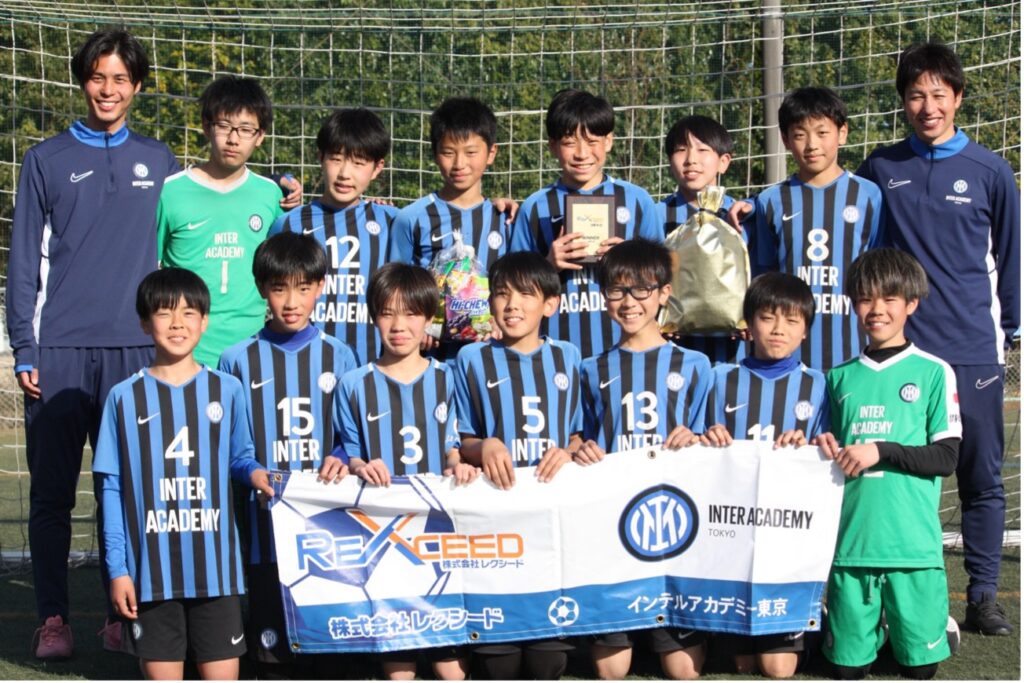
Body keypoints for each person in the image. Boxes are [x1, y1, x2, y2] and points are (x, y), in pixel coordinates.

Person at [6, 28, 177, 659]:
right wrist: (25, 347)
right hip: (61, 353)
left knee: (126, 492)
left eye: (120, 79)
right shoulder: (45, 159)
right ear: (83, 82)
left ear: (137, 86)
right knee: (52, 494)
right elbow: (23, 261)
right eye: (98, 77)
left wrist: (282, 193)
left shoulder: (160, 160)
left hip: (135, 352)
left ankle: (117, 615)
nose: (109, 89)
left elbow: (203, 214)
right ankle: (53, 618)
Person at [855, 42, 1020, 636]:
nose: (928, 106)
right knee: (899, 476)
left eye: (938, 94)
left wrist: (1012, 330)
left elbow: (1011, 258)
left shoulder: (992, 171)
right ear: (902, 101)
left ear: (958, 97)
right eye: (915, 95)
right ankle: (890, 592)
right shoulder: (880, 169)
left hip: (973, 350)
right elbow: (847, 224)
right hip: (903, 355)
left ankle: (982, 596)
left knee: (980, 477)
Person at [92, 267, 275, 680]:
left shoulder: (227, 389)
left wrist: (255, 474)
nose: (177, 323)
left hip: (217, 574)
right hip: (151, 575)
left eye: (189, 312)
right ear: (144, 322)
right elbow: (111, 488)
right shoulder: (123, 397)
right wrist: (118, 570)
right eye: (164, 313)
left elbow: (240, 457)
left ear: (205, 321)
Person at [815, 248, 961, 680]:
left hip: (912, 548)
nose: (876, 309)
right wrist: (822, 444)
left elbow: (946, 458)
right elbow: (826, 451)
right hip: (852, 547)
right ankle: (878, 632)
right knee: (847, 671)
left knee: (920, 670)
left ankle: (930, 629)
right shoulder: (837, 377)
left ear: (911, 303)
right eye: (865, 299)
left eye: (889, 298)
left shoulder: (934, 371)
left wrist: (882, 449)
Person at [217, 232, 357, 678]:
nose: (291, 302)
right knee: (273, 659)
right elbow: (234, 450)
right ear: (262, 288)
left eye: (303, 288)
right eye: (279, 289)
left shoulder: (341, 355)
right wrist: (251, 472)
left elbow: (353, 436)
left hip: (328, 533)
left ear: (321, 287)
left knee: (329, 658)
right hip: (265, 532)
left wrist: (341, 454)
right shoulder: (236, 360)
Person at [326, 262, 475, 680]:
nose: (398, 325)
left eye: (410, 313)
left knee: (450, 668)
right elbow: (352, 454)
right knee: (399, 668)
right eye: (387, 313)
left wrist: (459, 466)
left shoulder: (447, 378)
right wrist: (361, 465)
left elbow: (453, 448)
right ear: (373, 316)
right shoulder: (353, 384)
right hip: (385, 532)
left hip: (438, 530)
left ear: (428, 318)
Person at [454, 251, 598, 680]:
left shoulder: (568, 357)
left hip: (550, 518)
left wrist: (569, 451)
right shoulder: (471, 358)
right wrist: (484, 446)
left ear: (550, 304)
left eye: (526, 294)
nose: (512, 304)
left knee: (546, 662)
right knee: (499, 664)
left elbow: (578, 434)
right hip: (496, 517)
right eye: (502, 294)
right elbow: (461, 441)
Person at [578, 239, 710, 680]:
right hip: (610, 524)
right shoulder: (591, 368)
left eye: (641, 289)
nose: (629, 301)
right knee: (611, 670)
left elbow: (711, 441)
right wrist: (580, 447)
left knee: (683, 670)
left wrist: (696, 439)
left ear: (664, 293)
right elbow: (579, 435)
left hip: (673, 523)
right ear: (603, 296)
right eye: (617, 290)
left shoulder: (695, 365)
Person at [700, 272, 828, 678]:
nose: (778, 329)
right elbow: (693, 447)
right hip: (728, 533)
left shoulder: (818, 386)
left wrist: (811, 447)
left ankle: (816, 626)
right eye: (767, 317)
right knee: (740, 664)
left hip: (787, 537)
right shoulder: (718, 378)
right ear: (749, 324)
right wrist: (706, 437)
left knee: (777, 668)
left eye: (791, 320)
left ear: (805, 330)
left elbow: (828, 456)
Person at [732, 87, 884, 373]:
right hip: (789, 354)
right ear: (785, 139)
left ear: (842, 133)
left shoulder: (869, 196)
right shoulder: (770, 201)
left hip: (853, 349)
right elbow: (765, 275)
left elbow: (878, 270)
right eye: (800, 134)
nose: (812, 144)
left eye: (822, 132)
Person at [511, 89, 661, 359]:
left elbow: (664, 275)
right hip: (553, 354)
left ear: (609, 141)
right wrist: (548, 265)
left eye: (592, 141)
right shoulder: (534, 207)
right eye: (570, 143)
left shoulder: (638, 201)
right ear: (552, 146)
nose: (582, 153)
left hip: (625, 351)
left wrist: (628, 260)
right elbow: (514, 284)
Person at [157, 75, 285, 367]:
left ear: (260, 136)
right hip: (186, 352)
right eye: (224, 126)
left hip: (253, 351)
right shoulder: (170, 192)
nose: (233, 139)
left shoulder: (270, 195)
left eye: (245, 129)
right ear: (206, 126)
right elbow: (149, 266)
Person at [271, 108, 397, 365]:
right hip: (304, 367)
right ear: (320, 157)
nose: (344, 174)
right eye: (336, 159)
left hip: (372, 367)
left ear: (377, 168)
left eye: (359, 163)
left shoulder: (392, 222)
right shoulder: (288, 224)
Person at [657, 114, 750, 365]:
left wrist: (754, 315)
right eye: (681, 150)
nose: (691, 159)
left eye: (702, 150)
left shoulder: (741, 215)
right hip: (671, 355)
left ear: (724, 162)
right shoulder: (656, 215)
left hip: (734, 355)